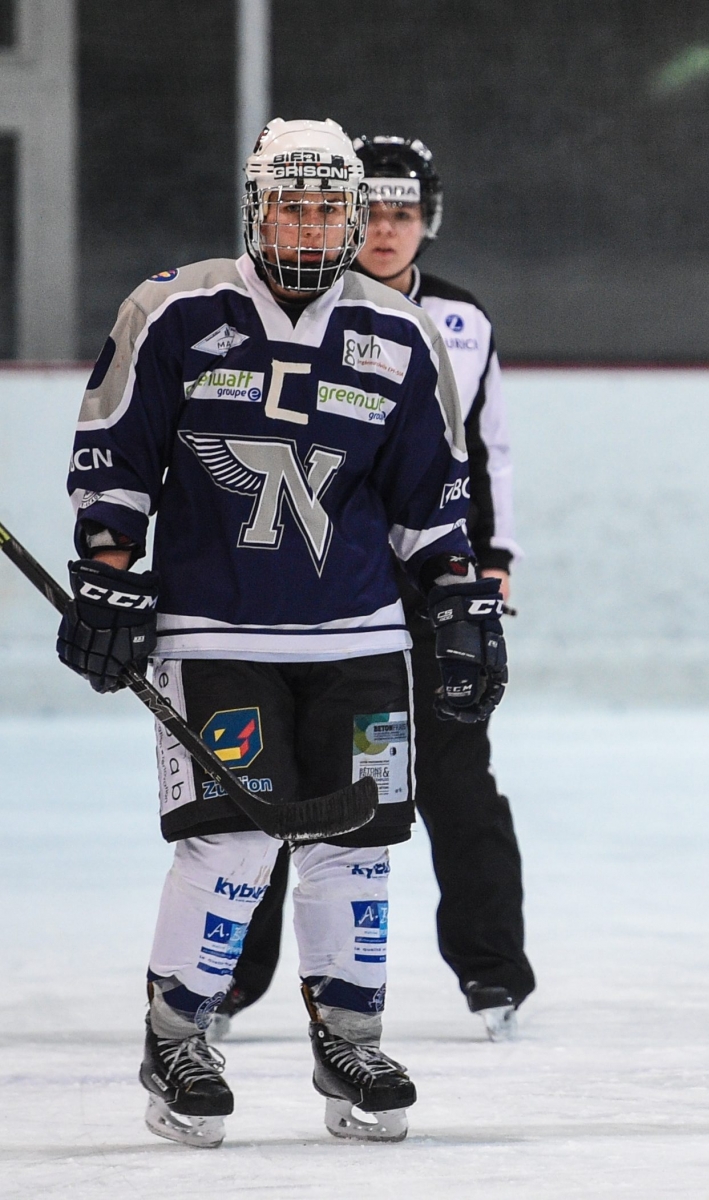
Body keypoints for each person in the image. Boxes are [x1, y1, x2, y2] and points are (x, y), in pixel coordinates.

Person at [58, 117, 507, 1147]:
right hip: (216, 634)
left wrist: (460, 600)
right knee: (231, 844)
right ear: (258, 209)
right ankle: (179, 1037)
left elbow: (430, 501)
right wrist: (109, 579)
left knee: (359, 846)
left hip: (357, 636)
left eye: (329, 206)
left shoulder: (400, 336)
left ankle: (350, 1038)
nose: (312, 224)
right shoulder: (175, 309)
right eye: (293, 204)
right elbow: (113, 462)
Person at [208, 134, 532, 1044]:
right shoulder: (285, 311)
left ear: (431, 218)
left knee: (457, 781)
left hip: (433, 582)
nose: (388, 231)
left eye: (406, 212)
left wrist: (489, 561)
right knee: (276, 780)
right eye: (375, 211)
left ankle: (493, 973)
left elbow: (483, 450)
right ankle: (232, 975)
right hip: (325, 582)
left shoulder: (462, 321)